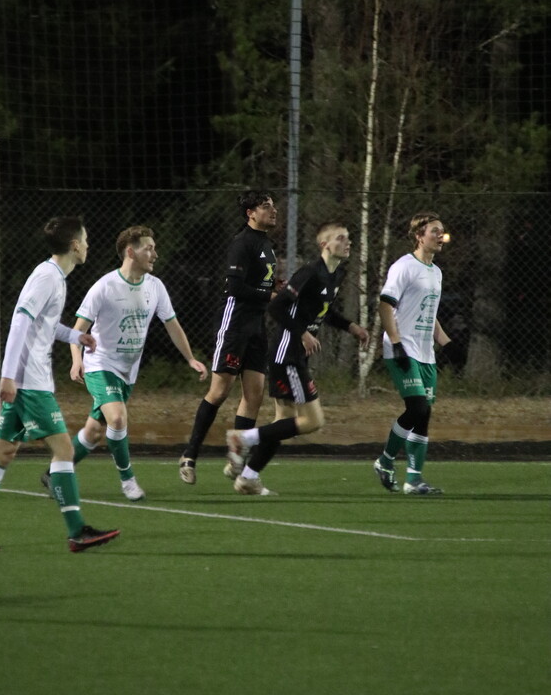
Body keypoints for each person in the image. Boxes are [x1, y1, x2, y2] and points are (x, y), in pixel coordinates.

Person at [0, 216, 120, 552]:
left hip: (27, 380)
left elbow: (44, 324)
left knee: (3, 452)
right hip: (30, 383)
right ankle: (77, 531)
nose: (88, 245)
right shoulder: (46, 277)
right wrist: (8, 376)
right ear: (75, 246)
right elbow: (20, 322)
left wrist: (76, 336)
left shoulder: (54, 277)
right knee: (64, 450)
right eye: (85, 240)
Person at [41, 225, 207, 500]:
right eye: (149, 248)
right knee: (117, 418)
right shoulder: (105, 286)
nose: (155, 254)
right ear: (131, 252)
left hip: (127, 372)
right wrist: (76, 360)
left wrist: (190, 358)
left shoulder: (155, 287)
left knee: (94, 432)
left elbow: (172, 325)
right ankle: (128, 481)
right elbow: (78, 330)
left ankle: (54, 473)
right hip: (100, 364)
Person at [225, 222, 369, 494]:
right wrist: (302, 333)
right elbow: (277, 307)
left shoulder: (335, 274)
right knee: (313, 421)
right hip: (287, 355)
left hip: (294, 355)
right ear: (325, 245)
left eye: (348, 238)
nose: (348, 242)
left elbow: (323, 311)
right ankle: (242, 438)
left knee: (284, 423)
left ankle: (248, 477)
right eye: (341, 238)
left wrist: (352, 327)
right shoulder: (310, 272)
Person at [178, 189, 278, 485]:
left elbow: (261, 282)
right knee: (220, 391)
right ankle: (189, 455)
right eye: (266, 206)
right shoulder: (242, 242)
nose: (273, 210)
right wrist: (269, 294)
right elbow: (235, 287)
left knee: (254, 395)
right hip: (234, 323)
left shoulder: (266, 243)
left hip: (257, 324)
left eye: (273, 205)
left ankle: (236, 459)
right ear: (251, 213)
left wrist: (276, 287)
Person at [372, 210, 452, 495]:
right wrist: (396, 342)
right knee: (417, 407)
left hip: (425, 352)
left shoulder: (436, 272)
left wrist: (447, 342)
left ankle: (414, 480)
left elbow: (429, 311)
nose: (440, 236)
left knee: (424, 413)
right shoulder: (404, 266)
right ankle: (385, 461)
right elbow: (385, 304)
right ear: (419, 236)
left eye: (441, 231)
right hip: (403, 347)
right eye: (434, 231)